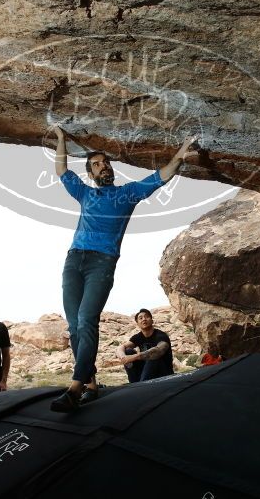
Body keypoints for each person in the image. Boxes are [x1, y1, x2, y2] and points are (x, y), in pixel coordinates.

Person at [49, 125, 197, 412]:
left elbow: (160, 178)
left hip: (101, 262)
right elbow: (61, 170)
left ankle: (75, 387)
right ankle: (91, 385)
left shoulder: (128, 193)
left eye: (105, 163)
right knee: (75, 326)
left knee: (87, 318)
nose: (102, 167)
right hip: (73, 260)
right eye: (96, 165)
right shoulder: (84, 193)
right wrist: (60, 139)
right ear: (90, 174)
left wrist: (179, 154)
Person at [116, 308, 174, 382]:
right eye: (140, 318)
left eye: (146, 317)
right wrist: (123, 358)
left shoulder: (161, 335)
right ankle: (134, 383)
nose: (144, 319)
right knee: (128, 351)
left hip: (163, 373)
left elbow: (158, 350)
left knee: (153, 355)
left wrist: (134, 357)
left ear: (152, 321)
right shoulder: (138, 337)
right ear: (137, 324)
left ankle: (142, 385)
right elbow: (121, 347)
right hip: (147, 372)